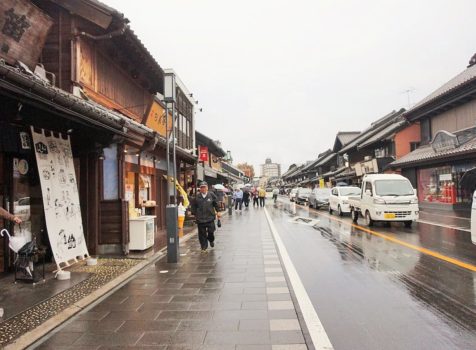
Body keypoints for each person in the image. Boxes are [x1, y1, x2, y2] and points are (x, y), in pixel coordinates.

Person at [191, 182, 220, 254]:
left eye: (204, 187)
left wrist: (218, 211)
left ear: (207, 188)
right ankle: (204, 247)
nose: (203, 189)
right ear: (199, 189)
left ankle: (211, 240)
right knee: (202, 234)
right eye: (201, 187)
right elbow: (193, 207)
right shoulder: (197, 197)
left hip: (210, 217)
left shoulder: (211, 195)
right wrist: (194, 214)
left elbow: (216, 203)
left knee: (211, 232)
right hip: (200, 219)